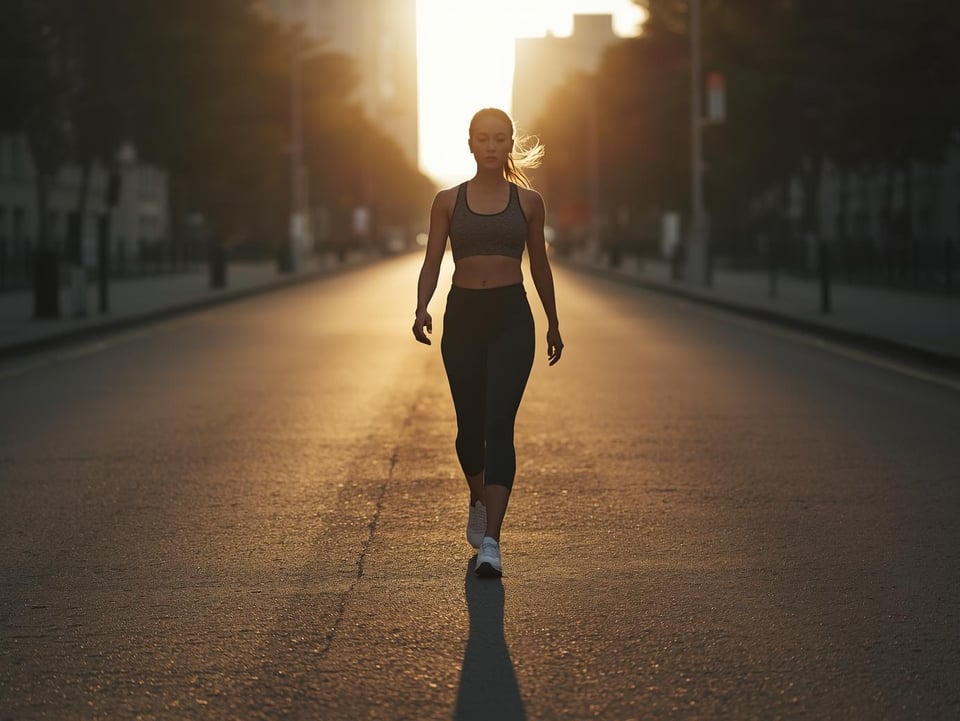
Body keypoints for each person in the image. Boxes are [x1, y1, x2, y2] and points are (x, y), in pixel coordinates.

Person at [412, 107, 563, 578]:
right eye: (483, 138)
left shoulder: (530, 202)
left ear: (510, 143)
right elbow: (433, 260)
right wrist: (422, 307)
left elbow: (539, 266)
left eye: (500, 138)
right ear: (471, 144)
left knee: (499, 425)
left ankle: (493, 541)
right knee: (467, 429)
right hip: (464, 318)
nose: (492, 146)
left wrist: (553, 322)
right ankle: (477, 496)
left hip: (511, 319)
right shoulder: (446, 200)